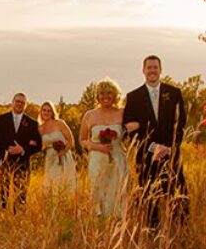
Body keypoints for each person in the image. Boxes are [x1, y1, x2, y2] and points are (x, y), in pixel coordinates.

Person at [123, 55, 189, 230]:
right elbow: (129, 128)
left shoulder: (174, 93)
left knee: (177, 193)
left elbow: (180, 123)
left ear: (161, 69)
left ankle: (179, 231)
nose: (152, 70)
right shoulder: (133, 97)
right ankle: (151, 232)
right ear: (143, 70)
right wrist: (153, 147)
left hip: (170, 153)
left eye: (155, 67)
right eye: (149, 67)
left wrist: (167, 147)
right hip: (146, 156)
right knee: (148, 196)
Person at [79, 80, 128, 217]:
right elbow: (82, 140)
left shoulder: (123, 113)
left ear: (115, 95)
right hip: (97, 160)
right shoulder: (89, 115)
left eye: (109, 93)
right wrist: (98, 147)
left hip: (117, 158)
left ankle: (117, 223)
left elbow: (132, 132)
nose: (105, 96)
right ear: (97, 96)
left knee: (117, 191)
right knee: (98, 192)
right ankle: (99, 223)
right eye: (102, 93)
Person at [0, 93, 43, 210]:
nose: (19, 104)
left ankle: (18, 224)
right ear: (12, 102)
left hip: (23, 166)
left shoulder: (32, 124)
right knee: (0, 196)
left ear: (25, 105)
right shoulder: (0, 120)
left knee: (20, 199)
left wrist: (23, 149)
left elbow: (38, 145)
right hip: (4, 163)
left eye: (22, 102)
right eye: (17, 101)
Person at [39, 101, 77, 194]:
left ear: (52, 112)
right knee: (49, 184)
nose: (46, 112)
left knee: (61, 183)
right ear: (41, 112)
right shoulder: (40, 128)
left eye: (49, 111)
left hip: (63, 156)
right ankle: (52, 207)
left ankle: (64, 206)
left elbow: (71, 141)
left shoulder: (59, 123)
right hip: (50, 157)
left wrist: (62, 152)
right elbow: (40, 146)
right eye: (44, 110)